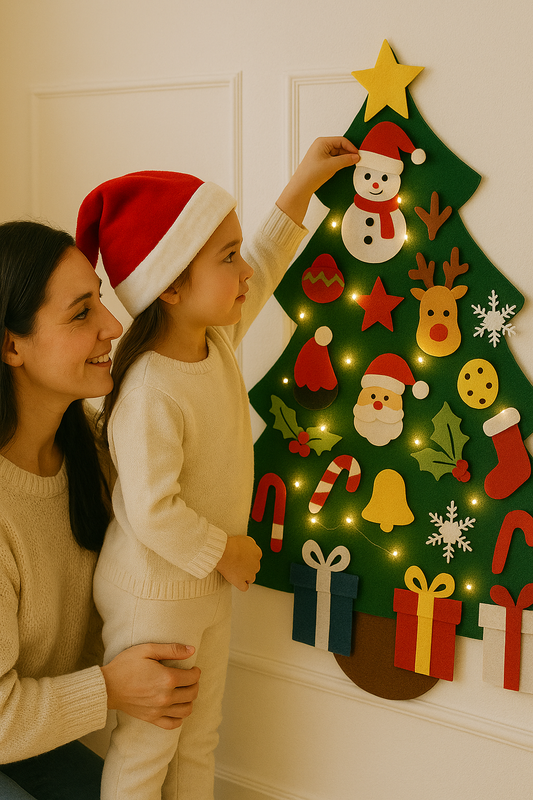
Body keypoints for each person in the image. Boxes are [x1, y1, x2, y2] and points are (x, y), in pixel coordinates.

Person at [75, 137, 360, 800]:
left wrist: (300, 188)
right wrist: (224, 552)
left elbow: (265, 260)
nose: (244, 271)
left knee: (199, 740)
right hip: (155, 597)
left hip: (200, 589)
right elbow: (152, 510)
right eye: (226, 258)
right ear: (171, 286)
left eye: (234, 253)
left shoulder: (215, 341)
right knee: (147, 750)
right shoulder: (149, 390)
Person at [0, 221, 202, 800]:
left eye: (101, 301)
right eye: (81, 313)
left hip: (32, 747)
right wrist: (111, 688)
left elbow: (211, 337)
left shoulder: (95, 450)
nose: (113, 326)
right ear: (11, 346)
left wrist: (294, 203)